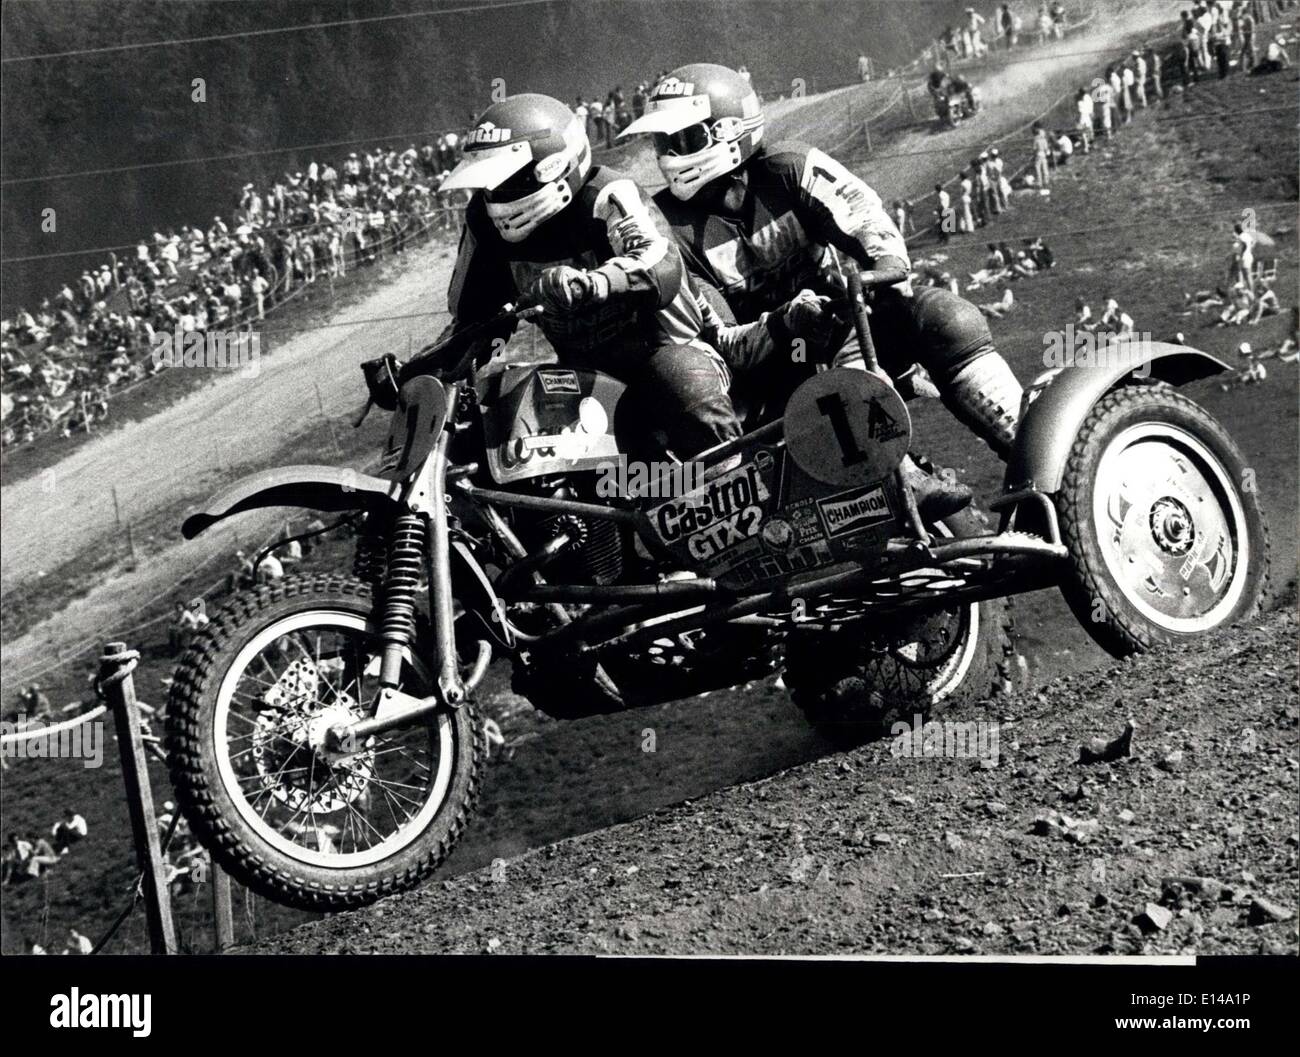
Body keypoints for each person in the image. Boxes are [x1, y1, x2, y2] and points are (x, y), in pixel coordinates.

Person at [622, 64, 1026, 502]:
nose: (668, 156)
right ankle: (899, 481)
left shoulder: (789, 168)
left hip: (848, 328)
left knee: (948, 318)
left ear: (727, 131)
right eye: (662, 143)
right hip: (767, 374)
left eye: (680, 140)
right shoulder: (667, 228)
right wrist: (782, 322)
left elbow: (862, 211)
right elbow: (720, 339)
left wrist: (885, 266)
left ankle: (1033, 455)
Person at [428, 92, 742, 460]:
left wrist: (596, 283)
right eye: (488, 186)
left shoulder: (606, 194)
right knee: (500, 425)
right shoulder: (485, 224)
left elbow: (660, 263)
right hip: (585, 380)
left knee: (674, 378)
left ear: (554, 166)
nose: (495, 196)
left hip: (678, 350)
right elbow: (479, 321)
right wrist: (422, 372)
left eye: (507, 180)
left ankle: (735, 481)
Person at [1032, 122, 1052, 188]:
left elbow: (1034, 148)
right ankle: (1046, 181)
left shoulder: (1036, 139)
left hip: (1038, 154)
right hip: (1043, 154)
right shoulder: (1044, 139)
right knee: (1044, 167)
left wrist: (1034, 154)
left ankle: (1039, 182)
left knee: (1037, 168)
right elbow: (1046, 147)